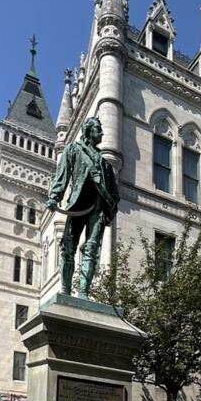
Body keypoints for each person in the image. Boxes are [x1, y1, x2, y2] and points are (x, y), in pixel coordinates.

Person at [46, 116, 120, 297]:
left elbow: (115, 195)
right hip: (78, 205)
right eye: (97, 129)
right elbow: (62, 176)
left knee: (92, 249)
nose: (101, 133)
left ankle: (84, 292)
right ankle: (65, 290)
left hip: (97, 209)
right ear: (88, 132)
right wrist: (55, 197)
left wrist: (110, 209)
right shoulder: (73, 150)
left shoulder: (106, 165)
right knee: (68, 248)